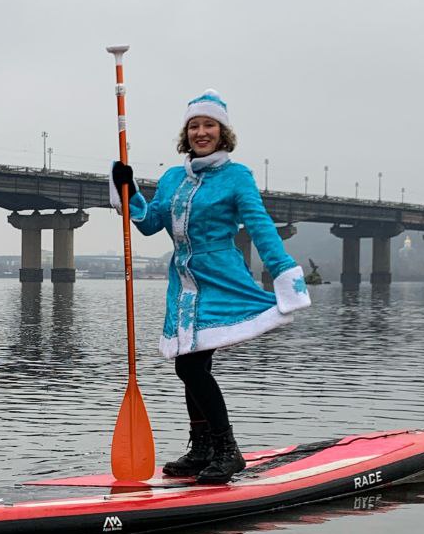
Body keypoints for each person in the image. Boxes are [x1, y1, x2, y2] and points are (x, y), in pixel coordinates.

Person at [110, 89, 311, 484]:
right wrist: (128, 190)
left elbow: (259, 225)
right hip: (183, 285)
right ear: (187, 134)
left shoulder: (237, 177)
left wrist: (284, 272)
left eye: (209, 125)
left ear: (222, 132)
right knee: (191, 363)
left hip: (220, 278)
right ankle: (202, 448)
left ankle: (226, 449)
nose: (201, 132)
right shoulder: (171, 178)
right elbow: (151, 224)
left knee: (190, 364)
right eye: (195, 126)